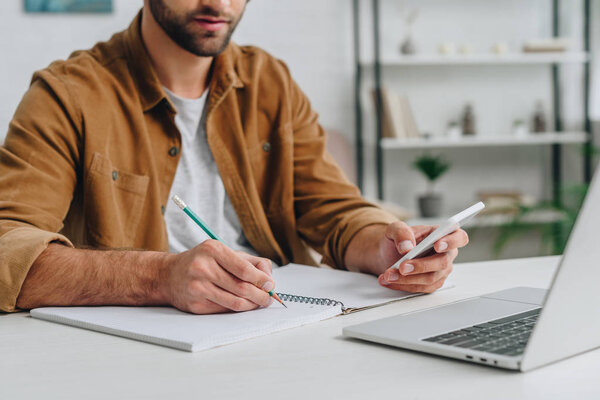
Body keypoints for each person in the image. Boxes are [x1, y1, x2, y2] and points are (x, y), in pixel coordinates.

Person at [0, 0, 468, 314]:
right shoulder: (66, 94)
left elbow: (334, 209)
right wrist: (160, 277)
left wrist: (385, 246)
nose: (220, 4)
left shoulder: (271, 82)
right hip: (137, 358)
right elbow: (7, 248)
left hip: (279, 328)